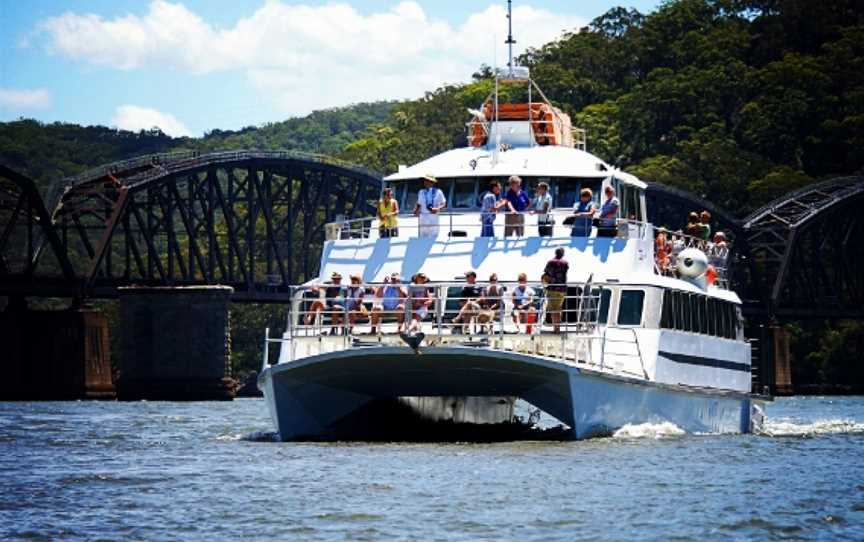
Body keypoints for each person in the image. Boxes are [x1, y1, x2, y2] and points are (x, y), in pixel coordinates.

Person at [543, 247, 568, 333]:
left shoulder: (551, 262)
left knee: (554, 310)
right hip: (562, 290)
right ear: (562, 254)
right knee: (558, 308)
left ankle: (555, 329)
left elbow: (546, 273)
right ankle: (558, 328)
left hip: (553, 289)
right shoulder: (565, 263)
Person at [413, 174, 446, 238]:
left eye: (427, 180)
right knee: (422, 237)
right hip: (423, 217)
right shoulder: (421, 192)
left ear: (432, 182)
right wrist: (416, 211)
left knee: (433, 237)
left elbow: (444, 204)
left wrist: (437, 208)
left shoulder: (438, 192)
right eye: (425, 180)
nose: (425, 182)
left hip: (433, 217)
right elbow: (419, 203)